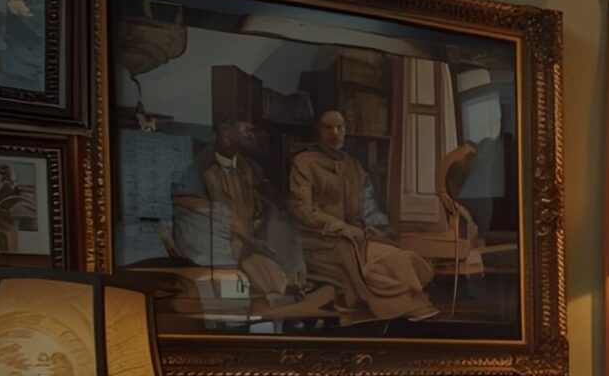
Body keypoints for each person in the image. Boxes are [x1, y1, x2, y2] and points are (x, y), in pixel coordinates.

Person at [287, 109, 437, 323]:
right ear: (317, 131)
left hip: (357, 239)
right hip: (320, 241)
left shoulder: (353, 166)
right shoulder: (304, 163)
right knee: (368, 273)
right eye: (328, 127)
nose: (335, 133)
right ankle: (399, 306)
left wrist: (378, 227)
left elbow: (368, 208)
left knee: (398, 258)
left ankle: (409, 304)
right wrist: (342, 228)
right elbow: (302, 210)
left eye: (340, 128)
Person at [171, 118, 306, 302]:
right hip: (219, 247)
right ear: (225, 130)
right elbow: (184, 204)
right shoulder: (198, 166)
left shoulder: (251, 169)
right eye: (247, 129)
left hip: (253, 243)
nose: (253, 134)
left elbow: (272, 205)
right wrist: (222, 217)